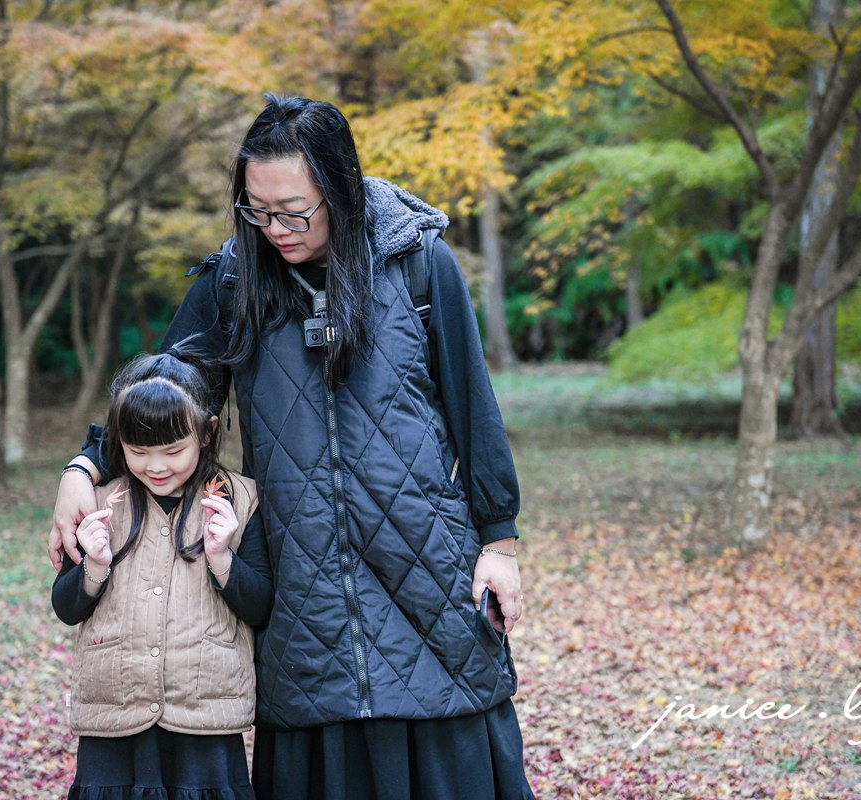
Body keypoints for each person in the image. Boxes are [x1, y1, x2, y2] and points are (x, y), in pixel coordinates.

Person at [49, 93, 533, 799]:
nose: (275, 228)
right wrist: (85, 465)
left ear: (339, 191)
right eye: (257, 209)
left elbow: (473, 408)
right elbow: (160, 398)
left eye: (294, 210)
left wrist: (500, 541)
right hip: (303, 588)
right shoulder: (233, 281)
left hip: (426, 570)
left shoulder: (419, 265)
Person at [51, 345, 271, 800]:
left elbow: (261, 603)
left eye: (173, 451)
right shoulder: (101, 500)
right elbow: (66, 607)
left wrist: (221, 557)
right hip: (114, 711)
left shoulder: (243, 501)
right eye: (137, 451)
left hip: (204, 715)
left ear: (207, 433)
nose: (155, 466)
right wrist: (93, 566)